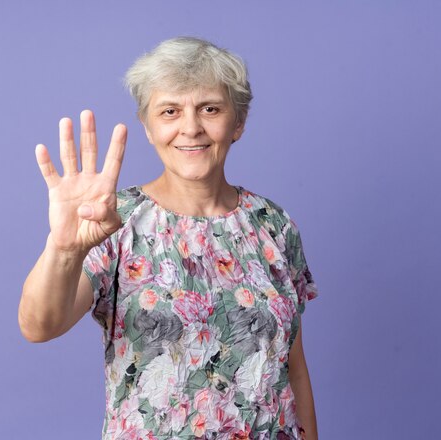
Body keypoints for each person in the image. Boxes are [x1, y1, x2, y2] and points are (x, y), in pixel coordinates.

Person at [19, 37, 319, 440]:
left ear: (239, 122)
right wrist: (64, 248)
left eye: (209, 108)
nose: (191, 127)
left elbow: (293, 367)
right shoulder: (114, 220)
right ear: (148, 126)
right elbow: (40, 325)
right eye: (170, 111)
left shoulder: (273, 224)